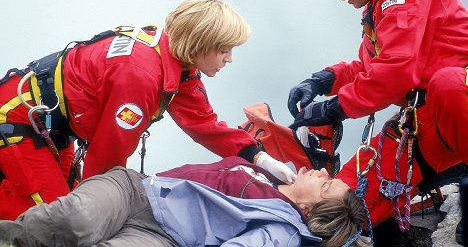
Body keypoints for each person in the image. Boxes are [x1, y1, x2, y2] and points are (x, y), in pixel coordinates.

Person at [0, 0, 296, 220]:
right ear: (199, 43)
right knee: (60, 219)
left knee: (72, 205)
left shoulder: (175, 60)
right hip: (19, 120)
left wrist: (259, 158)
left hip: (48, 126)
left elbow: (204, 124)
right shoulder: (141, 74)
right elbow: (106, 160)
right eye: (224, 49)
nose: (229, 59)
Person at [288, 0, 468, 231]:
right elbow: (371, 67)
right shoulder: (381, 4)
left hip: (456, 103)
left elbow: (395, 71)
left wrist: (336, 107)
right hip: (430, 119)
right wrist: (324, 81)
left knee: (447, 84)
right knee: (344, 198)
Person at [0, 156, 370, 247]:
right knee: (73, 220)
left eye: (325, 186)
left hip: (165, 237)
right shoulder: (278, 172)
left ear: (307, 211)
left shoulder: (283, 230)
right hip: (135, 191)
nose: (322, 173)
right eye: (329, 176)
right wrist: (259, 157)